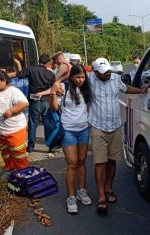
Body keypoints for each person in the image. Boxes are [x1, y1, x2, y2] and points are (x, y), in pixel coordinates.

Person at [87, 57, 148, 213]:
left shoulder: (115, 78)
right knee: (100, 163)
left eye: (108, 70)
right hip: (98, 127)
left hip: (115, 126)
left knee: (112, 160)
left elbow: (126, 88)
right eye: (103, 72)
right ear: (95, 72)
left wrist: (141, 90)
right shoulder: (90, 79)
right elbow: (73, 76)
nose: (107, 74)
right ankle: (101, 196)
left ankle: (109, 189)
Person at [50, 64, 93, 214]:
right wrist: (53, 93)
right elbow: (55, 108)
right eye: (77, 77)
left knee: (82, 162)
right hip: (68, 130)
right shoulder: (64, 88)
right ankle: (71, 197)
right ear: (71, 77)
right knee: (72, 163)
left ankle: (82, 190)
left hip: (84, 130)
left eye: (82, 77)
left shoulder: (87, 88)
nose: (80, 80)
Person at [7, 54, 55, 152]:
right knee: (48, 125)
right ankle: (51, 147)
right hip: (46, 102)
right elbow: (53, 88)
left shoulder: (31, 69)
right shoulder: (50, 74)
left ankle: (31, 147)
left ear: (39, 61)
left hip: (34, 102)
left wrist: (4, 75)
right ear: (48, 63)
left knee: (33, 124)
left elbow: (17, 74)